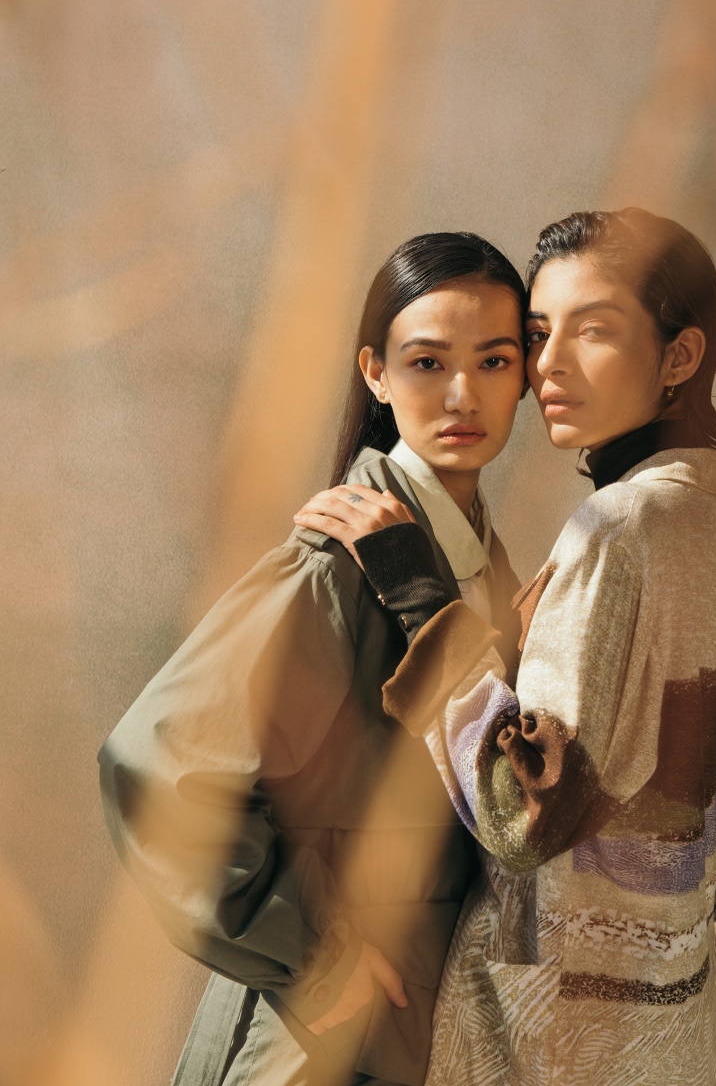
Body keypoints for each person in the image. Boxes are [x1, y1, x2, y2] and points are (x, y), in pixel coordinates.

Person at [299, 208, 716, 1086]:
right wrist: (644, 933)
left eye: (593, 329)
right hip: (672, 1040)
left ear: (680, 357)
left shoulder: (617, 530)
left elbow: (524, 814)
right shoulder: (705, 536)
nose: (548, 365)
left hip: (544, 1044)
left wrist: (417, 588)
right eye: (537, 334)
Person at [98, 232, 528, 1086]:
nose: (462, 393)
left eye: (494, 360)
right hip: (325, 1043)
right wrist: (317, 953)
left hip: (425, 1029)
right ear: (376, 374)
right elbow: (156, 767)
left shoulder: (475, 565)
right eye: (427, 363)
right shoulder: (338, 563)